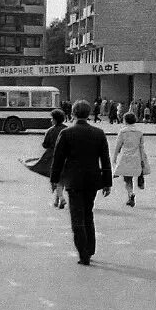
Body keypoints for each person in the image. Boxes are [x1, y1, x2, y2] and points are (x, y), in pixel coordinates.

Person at [49, 100, 112, 266]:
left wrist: (54, 180)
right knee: (88, 214)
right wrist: (107, 182)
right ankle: (90, 249)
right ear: (89, 113)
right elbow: (105, 160)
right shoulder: (99, 133)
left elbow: (58, 159)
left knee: (77, 217)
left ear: (73, 113)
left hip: (74, 180)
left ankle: (83, 253)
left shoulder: (67, 133)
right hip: (93, 180)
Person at [112, 112, 149, 208]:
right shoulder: (139, 132)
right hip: (136, 157)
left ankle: (131, 193)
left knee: (127, 178)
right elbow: (141, 147)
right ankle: (136, 187)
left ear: (125, 120)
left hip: (126, 157)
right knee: (134, 175)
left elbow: (118, 146)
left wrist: (115, 156)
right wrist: (143, 160)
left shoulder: (123, 132)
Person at [39, 109, 68, 209]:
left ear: (55, 120)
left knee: (55, 178)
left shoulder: (50, 130)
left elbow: (45, 144)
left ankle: (61, 198)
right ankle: (57, 200)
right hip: (66, 156)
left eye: (52, 119)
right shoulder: (67, 130)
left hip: (52, 156)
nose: (51, 121)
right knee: (61, 178)